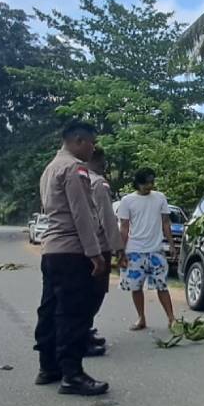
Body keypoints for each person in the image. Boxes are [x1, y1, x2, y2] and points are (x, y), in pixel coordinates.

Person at [34, 120, 109, 396]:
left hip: (52, 250)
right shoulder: (74, 169)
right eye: (91, 143)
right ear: (78, 140)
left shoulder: (50, 168)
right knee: (72, 313)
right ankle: (72, 374)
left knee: (50, 309)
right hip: (71, 251)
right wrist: (95, 253)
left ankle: (48, 366)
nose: (93, 149)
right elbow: (82, 216)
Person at [118, 168, 177, 331]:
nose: (150, 186)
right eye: (146, 183)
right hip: (135, 249)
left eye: (152, 182)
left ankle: (171, 318)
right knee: (136, 286)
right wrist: (120, 250)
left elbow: (166, 222)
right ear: (137, 183)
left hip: (156, 249)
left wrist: (171, 244)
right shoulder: (127, 201)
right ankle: (141, 317)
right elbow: (124, 227)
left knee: (162, 285)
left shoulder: (160, 198)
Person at [83, 146, 121, 355]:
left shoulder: (74, 178)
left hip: (81, 246)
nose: (104, 166)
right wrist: (118, 249)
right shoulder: (98, 183)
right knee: (95, 292)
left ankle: (84, 331)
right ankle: (83, 333)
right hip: (100, 245)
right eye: (102, 162)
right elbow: (108, 218)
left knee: (83, 292)